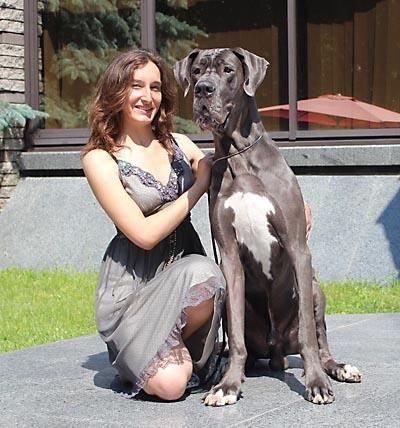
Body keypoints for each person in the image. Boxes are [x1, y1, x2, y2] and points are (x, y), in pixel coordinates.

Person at [82, 48, 226, 401]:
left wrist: (293, 203)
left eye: (155, 87)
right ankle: (137, 350)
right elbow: (144, 235)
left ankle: (171, 342)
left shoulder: (179, 144)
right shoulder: (100, 159)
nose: (147, 97)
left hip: (185, 277)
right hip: (131, 294)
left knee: (203, 272)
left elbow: (232, 169)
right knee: (172, 386)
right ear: (116, 90)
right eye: (136, 85)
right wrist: (197, 188)